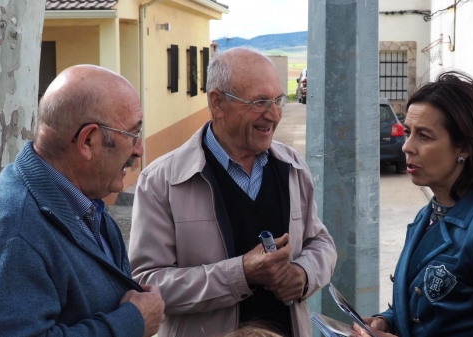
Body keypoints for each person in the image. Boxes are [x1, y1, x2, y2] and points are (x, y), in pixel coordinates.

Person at [128, 48, 337, 337]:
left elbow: (321, 242)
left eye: (278, 100)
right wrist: (241, 273)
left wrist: (302, 275)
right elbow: (147, 284)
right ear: (218, 103)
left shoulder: (292, 166)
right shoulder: (162, 180)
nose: (274, 115)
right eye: (260, 102)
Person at [0, 65, 166, 337]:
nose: (139, 149)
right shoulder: (14, 232)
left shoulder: (82, 203)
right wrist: (130, 323)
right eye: (133, 134)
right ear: (88, 141)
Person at [353, 71, 473, 337]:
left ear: (462, 147)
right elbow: (425, 313)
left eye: (424, 136)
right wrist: (386, 321)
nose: (407, 147)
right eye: (407, 132)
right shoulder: (426, 217)